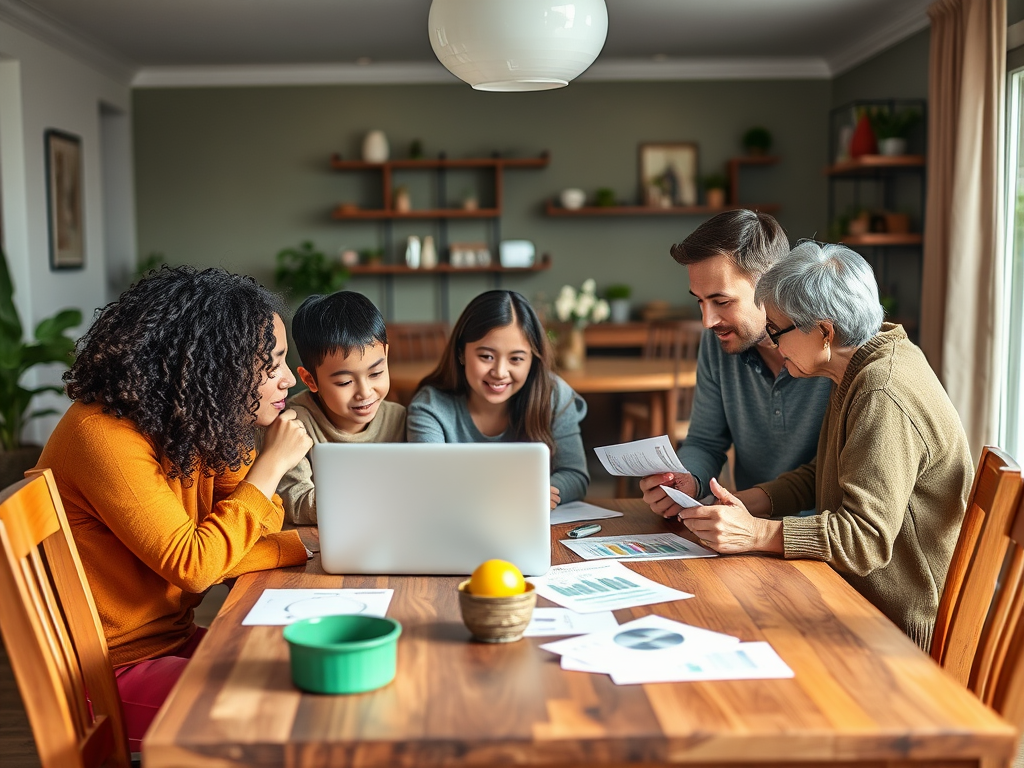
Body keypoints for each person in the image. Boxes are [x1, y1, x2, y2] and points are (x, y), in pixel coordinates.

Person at [35, 266, 313, 750]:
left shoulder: (191, 422)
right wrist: (269, 466)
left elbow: (238, 536)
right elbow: (196, 565)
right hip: (110, 672)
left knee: (305, 672)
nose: (288, 377)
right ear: (217, 364)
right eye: (273, 364)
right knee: (283, 705)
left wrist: (298, 547)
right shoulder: (102, 436)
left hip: (170, 643)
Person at [674, 242, 973, 650]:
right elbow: (822, 472)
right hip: (854, 599)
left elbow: (863, 539)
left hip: (897, 628)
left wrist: (758, 533)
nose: (775, 347)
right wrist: (746, 503)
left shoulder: (881, 391)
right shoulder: (858, 365)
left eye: (778, 332)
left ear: (825, 332)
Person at [640, 209, 832, 516]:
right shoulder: (719, 342)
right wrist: (688, 479)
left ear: (772, 284)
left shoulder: (832, 348)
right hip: (748, 523)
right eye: (699, 301)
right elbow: (705, 440)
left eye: (722, 301)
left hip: (818, 535)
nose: (707, 321)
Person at [406, 289, 589, 509]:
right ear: (461, 353)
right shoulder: (430, 407)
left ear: (533, 360)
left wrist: (540, 492)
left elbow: (575, 475)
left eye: (516, 359)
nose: (500, 372)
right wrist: (512, 494)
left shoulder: (555, 395)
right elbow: (430, 484)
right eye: (486, 356)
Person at [277, 291, 406, 524]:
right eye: (345, 382)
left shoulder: (401, 419)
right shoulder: (293, 424)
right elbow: (297, 503)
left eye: (376, 373)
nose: (365, 392)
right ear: (310, 380)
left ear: (386, 354)